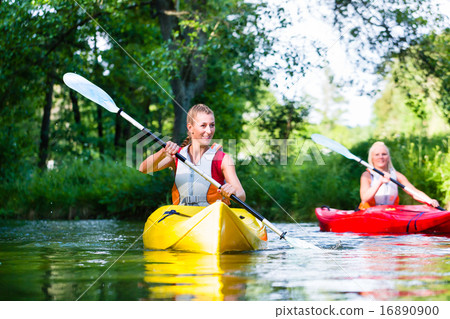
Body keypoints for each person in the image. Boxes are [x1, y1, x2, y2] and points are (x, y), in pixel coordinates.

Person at [139, 104, 245, 206]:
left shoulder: (223, 159)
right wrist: (163, 152)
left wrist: (233, 192)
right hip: (182, 216)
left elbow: (242, 195)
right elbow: (143, 168)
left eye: (212, 125)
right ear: (190, 128)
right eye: (203, 125)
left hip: (212, 218)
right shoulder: (177, 155)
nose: (209, 131)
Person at [359, 141, 439, 209]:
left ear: (389, 157)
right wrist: (380, 182)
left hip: (389, 213)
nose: (381, 157)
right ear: (372, 158)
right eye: (377, 154)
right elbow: (364, 198)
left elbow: (413, 192)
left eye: (384, 154)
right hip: (369, 213)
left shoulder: (396, 175)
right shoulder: (367, 175)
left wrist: (429, 200)